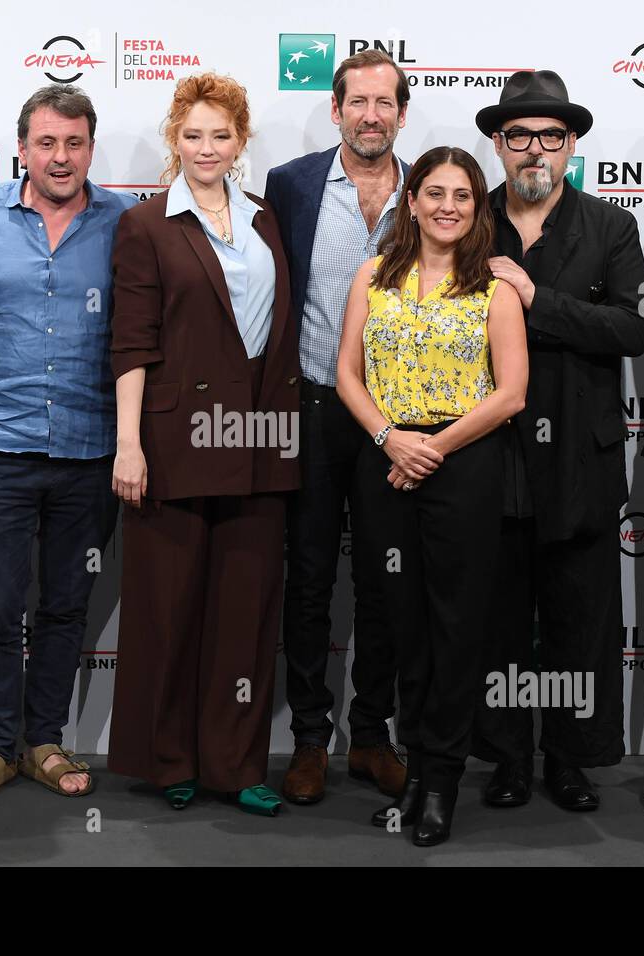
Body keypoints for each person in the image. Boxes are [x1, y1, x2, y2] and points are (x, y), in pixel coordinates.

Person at [108, 73, 300, 816]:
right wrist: (129, 445)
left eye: (221, 135)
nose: (206, 148)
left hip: (261, 441)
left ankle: (237, 762)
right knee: (169, 610)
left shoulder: (265, 220)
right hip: (173, 441)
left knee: (245, 617)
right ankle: (170, 760)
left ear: (242, 142)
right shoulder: (146, 224)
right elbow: (131, 342)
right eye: (192, 135)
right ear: (173, 140)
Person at [471, 71, 644, 811]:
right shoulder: (469, 216)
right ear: (499, 145)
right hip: (491, 449)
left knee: (580, 618)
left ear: (571, 145)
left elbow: (635, 327)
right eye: (520, 137)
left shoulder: (610, 227)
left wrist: (537, 299)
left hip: (582, 453)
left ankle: (572, 759)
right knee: (499, 618)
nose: (535, 150)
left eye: (551, 136)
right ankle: (508, 756)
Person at [0, 85, 135, 803]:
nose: (61, 157)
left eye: (75, 143)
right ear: (21, 147)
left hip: (91, 448)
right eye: (47, 143)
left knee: (64, 606)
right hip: (0, 442)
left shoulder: (126, 221)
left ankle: (44, 741)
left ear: (92, 147)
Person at [337, 146, 527, 846]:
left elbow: (511, 393)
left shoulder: (496, 289)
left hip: (465, 467)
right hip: (385, 465)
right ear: (410, 200)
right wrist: (391, 438)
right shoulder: (372, 277)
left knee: (456, 626)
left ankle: (443, 776)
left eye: (464, 196)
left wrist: (433, 447)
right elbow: (347, 372)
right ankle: (413, 765)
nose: (448, 206)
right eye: (434, 192)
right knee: (402, 623)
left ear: (477, 210)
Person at [265, 49, 412, 805]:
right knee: (310, 578)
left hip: (398, 424)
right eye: (358, 101)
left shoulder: (432, 193)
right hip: (315, 410)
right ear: (336, 109)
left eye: (385, 103)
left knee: (386, 581)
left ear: (401, 115)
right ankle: (311, 740)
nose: (370, 115)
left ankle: (374, 733)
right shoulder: (291, 186)